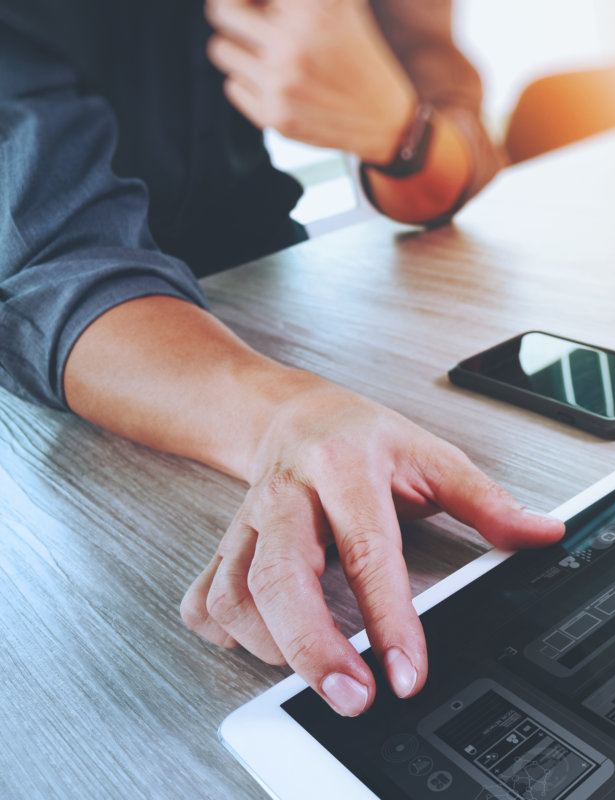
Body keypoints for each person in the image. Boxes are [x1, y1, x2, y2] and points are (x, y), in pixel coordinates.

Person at [0, 0, 564, 718]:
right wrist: (291, 416)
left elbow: (453, 155)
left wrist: (402, 130)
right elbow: (52, 270)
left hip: (284, 290)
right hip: (111, 394)